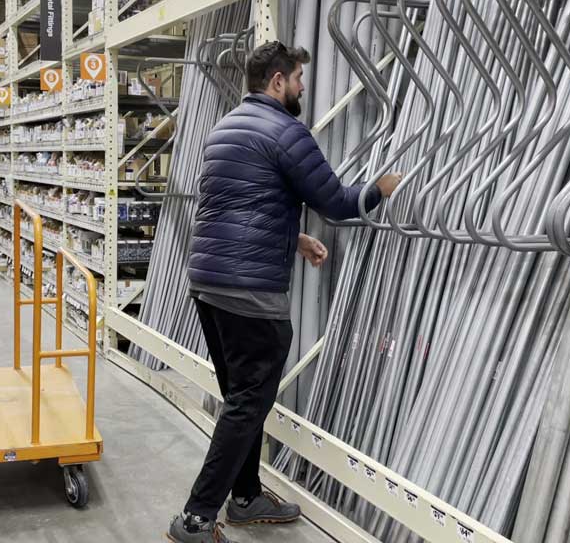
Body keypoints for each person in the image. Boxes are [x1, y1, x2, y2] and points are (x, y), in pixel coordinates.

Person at [167, 41, 403, 543]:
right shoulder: (286, 131)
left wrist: (290, 235)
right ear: (277, 81)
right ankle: (196, 518)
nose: (301, 87)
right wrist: (380, 189)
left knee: (241, 397)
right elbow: (338, 203)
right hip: (251, 291)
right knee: (249, 402)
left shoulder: (224, 129)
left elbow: (234, 204)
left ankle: (246, 497)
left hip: (207, 283)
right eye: (297, 78)